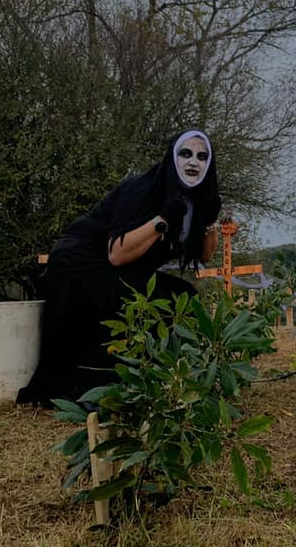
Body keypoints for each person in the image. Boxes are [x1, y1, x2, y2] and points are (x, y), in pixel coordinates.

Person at [17, 129, 221, 406]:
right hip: (82, 260)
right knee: (146, 300)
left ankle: (156, 379)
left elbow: (206, 256)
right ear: (172, 157)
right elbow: (117, 254)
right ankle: (91, 390)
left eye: (202, 156)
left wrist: (210, 222)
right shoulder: (142, 189)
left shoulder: (195, 200)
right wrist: (161, 220)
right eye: (185, 153)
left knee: (184, 297)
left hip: (125, 266)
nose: (193, 162)